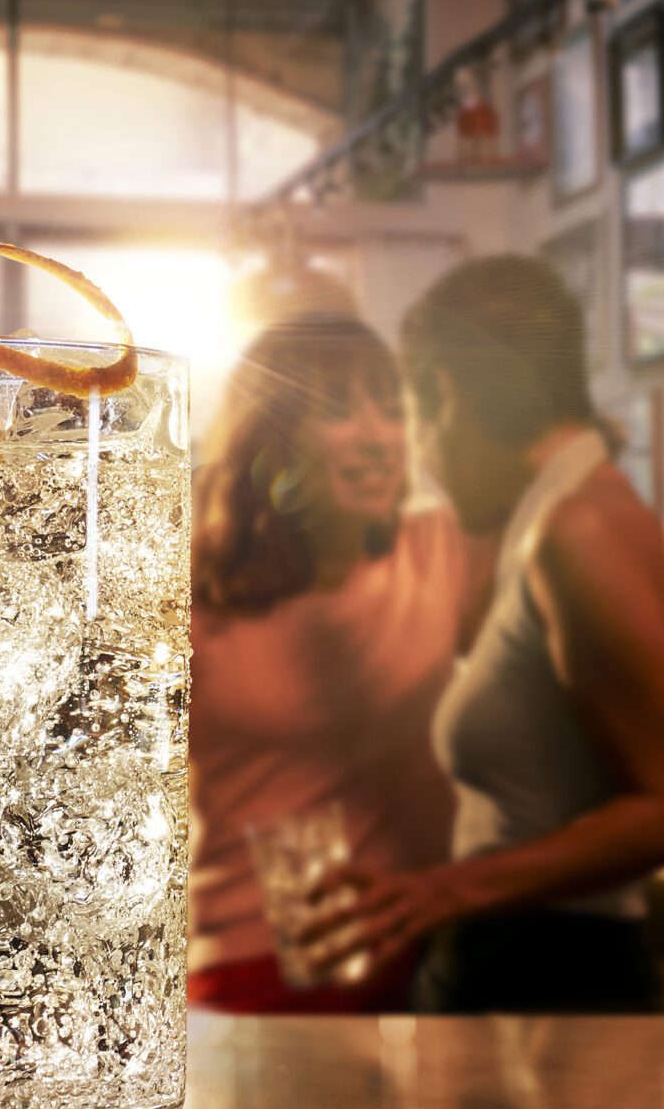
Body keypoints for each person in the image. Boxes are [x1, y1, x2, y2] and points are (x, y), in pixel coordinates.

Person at [305, 255, 664, 1013]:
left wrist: (440, 890)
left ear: (447, 397)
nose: (419, 458)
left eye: (412, 419)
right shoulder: (560, 508)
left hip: (552, 976)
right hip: (529, 963)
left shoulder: (580, 528)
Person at [186, 314, 460, 1013]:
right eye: (337, 409)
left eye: (391, 408)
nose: (376, 435)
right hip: (246, 968)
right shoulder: (192, 582)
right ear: (271, 440)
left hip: (421, 967)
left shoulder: (439, 552)